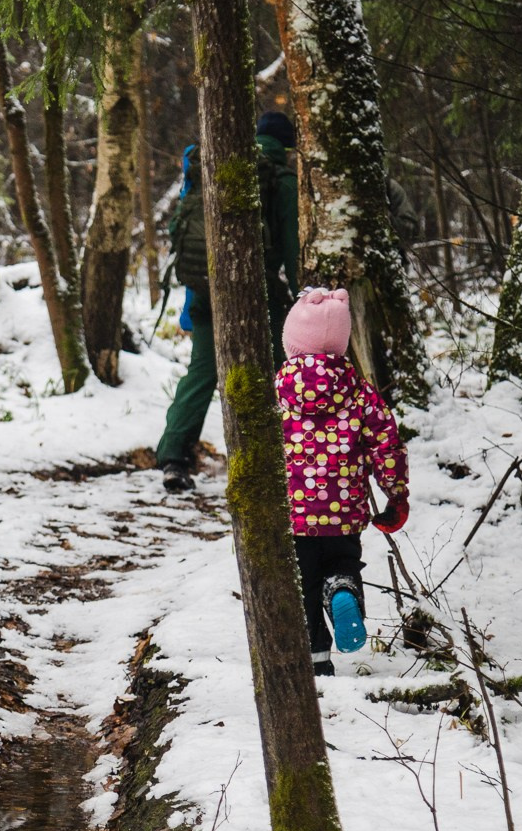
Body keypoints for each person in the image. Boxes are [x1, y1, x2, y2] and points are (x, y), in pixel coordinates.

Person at [155, 110, 302, 493]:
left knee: (202, 373)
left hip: (207, 292)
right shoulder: (282, 181)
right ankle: (288, 455)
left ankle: (174, 458)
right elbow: (291, 249)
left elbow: (176, 229)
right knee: (280, 369)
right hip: (260, 295)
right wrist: (305, 298)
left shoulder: (217, 168)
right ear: (288, 146)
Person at [275, 287, 410, 676]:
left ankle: (317, 661)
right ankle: (344, 590)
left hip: (295, 517)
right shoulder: (360, 392)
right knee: (342, 564)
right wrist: (396, 495)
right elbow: (387, 444)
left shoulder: (277, 392)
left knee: (304, 587)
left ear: (292, 342)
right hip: (344, 512)